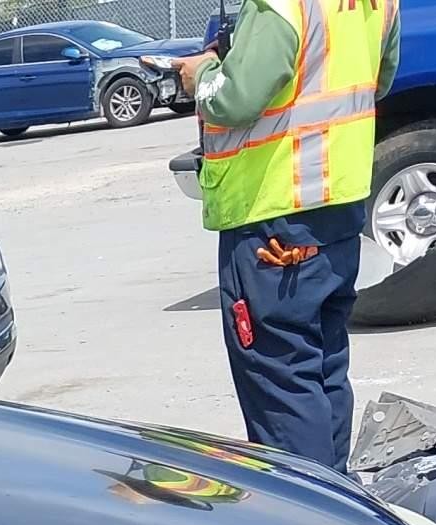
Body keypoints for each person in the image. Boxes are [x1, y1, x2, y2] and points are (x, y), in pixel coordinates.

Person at [173, 0, 403, 470]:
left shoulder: (279, 5)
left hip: (275, 215)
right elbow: (379, 78)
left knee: (281, 377)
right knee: (323, 365)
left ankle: (313, 518)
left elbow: (235, 99)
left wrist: (204, 75)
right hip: (338, 206)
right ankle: (341, 500)